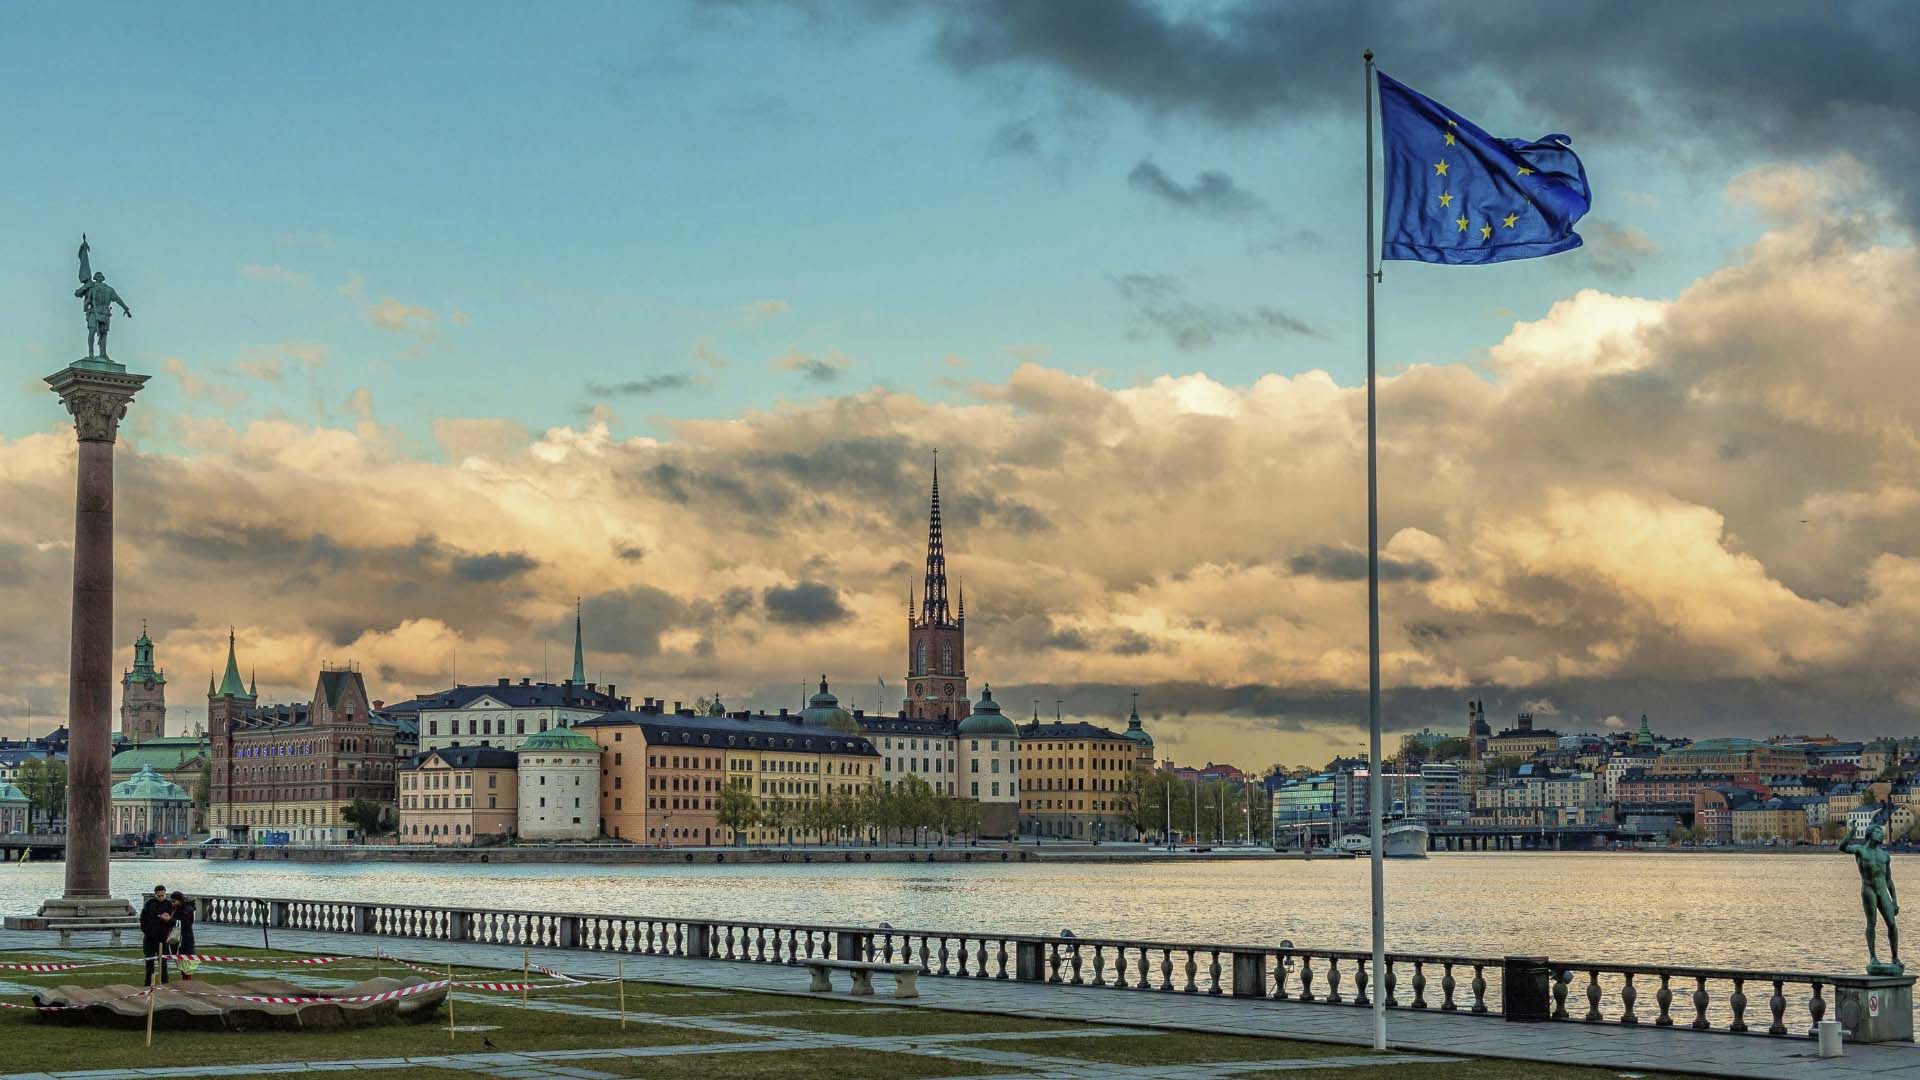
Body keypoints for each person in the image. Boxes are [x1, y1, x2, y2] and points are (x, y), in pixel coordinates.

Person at [139, 884, 174, 985]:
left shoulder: (168, 905)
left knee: (163, 962)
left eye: (163, 895)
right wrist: (146, 931)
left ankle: (164, 981)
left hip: (163, 938)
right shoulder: (149, 904)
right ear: (155, 895)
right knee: (149, 961)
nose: (161, 897)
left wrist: (167, 920)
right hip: (150, 938)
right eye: (159, 896)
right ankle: (148, 982)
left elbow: (173, 921)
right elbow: (143, 919)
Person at [169, 892, 197, 980]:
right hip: (178, 939)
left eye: (174, 901)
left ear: (179, 900)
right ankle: (185, 981)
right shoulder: (177, 908)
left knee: (187, 964)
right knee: (180, 962)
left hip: (186, 939)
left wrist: (170, 920)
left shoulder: (188, 909)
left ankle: (188, 983)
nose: (172, 903)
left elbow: (184, 923)